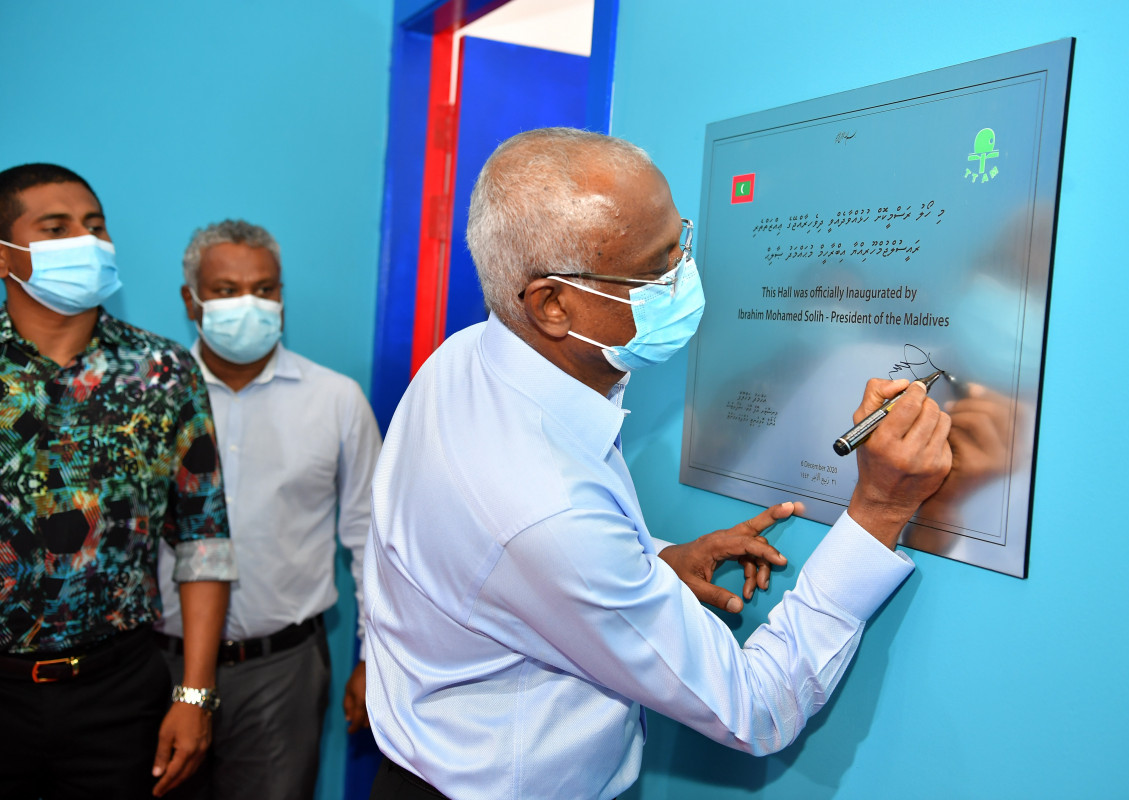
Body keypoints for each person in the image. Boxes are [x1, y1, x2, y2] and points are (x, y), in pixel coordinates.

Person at [363, 127, 953, 799]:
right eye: (654, 271)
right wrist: (880, 509)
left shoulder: (466, 358)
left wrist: (653, 560)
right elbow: (756, 708)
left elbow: (500, 566)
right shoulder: (545, 510)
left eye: (682, 244)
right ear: (553, 305)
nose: (684, 278)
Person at [0, 163, 234, 799]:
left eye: (95, 226)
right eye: (56, 228)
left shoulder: (162, 373)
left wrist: (195, 694)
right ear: (6, 255)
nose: (87, 241)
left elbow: (205, 540)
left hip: (120, 693)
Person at [155, 219, 382, 800]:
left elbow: (372, 539)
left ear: (282, 295)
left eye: (264, 288)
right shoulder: (152, 400)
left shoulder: (335, 400)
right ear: (192, 300)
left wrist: (373, 658)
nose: (249, 304)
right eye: (226, 290)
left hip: (284, 670)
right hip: (156, 666)